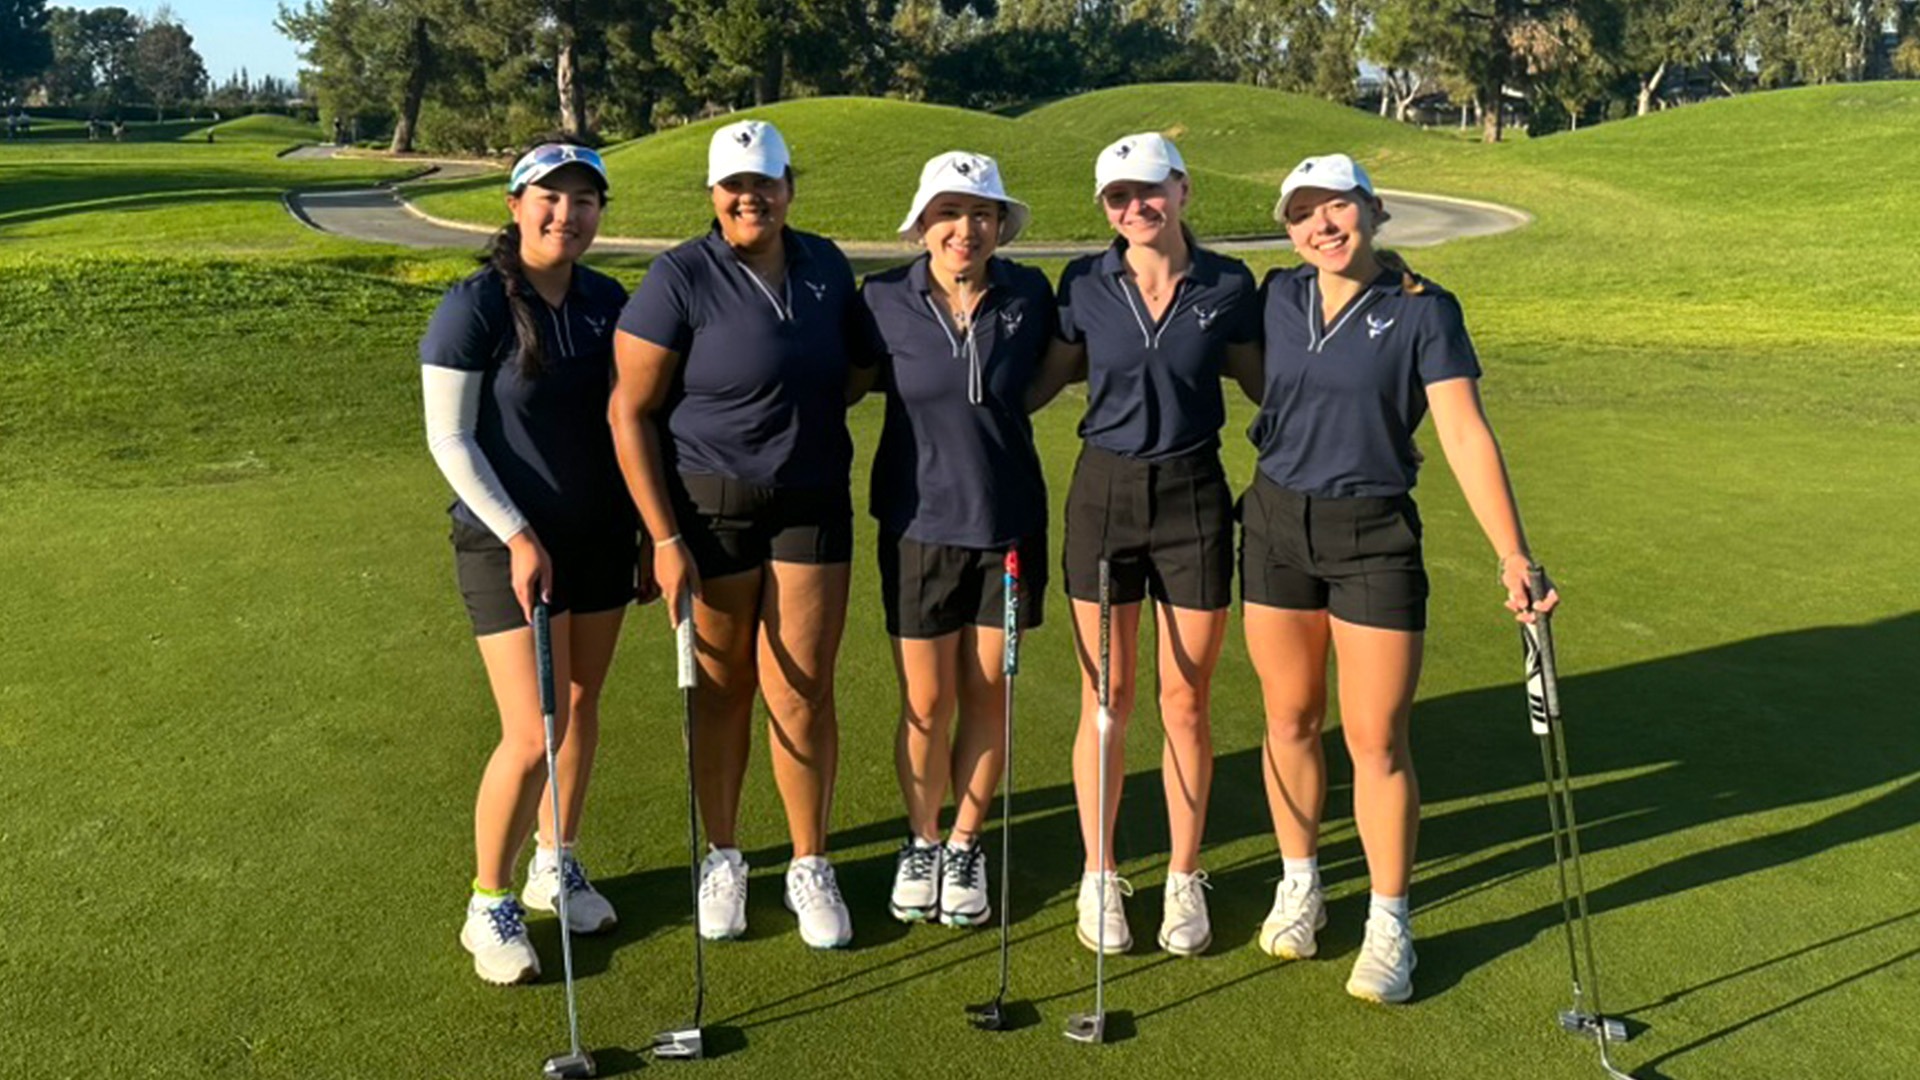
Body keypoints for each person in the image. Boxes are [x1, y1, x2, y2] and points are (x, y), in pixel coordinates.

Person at [1243, 153, 1559, 1003]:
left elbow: (1461, 433)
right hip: (1273, 525)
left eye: (1338, 207)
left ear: (1373, 212)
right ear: (1289, 228)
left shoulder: (1425, 311)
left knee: (1376, 739)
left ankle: (1390, 921)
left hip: (1373, 534)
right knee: (1288, 719)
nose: (1323, 225)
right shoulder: (1278, 296)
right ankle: (1301, 882)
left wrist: (1513, 553)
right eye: (1304, 213)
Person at [610, 119, 872, 949]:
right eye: (734, 186)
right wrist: (661, 535)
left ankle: (809, 862)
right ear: (714, 196)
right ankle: (723, 856)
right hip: (707, 510)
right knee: (724, 690)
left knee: (803, 687)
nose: (750, 197)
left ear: (791, 186)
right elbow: (630, 410)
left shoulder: (827, 265)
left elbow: (861, 366)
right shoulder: (679, 276)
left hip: (812, 502)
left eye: (765, 182)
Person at [1030, 133, 1263, 957]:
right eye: (1118, 198)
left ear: (1183, 190)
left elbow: (1270, 382)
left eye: (1149, 191)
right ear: (1105, 208)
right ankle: (1101, 875)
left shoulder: (1230, 284)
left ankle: (1183, 876)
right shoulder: (1084, 283)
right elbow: (1044, 379)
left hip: (1194, 497)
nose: (1135, 208)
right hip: (1105, 497)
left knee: (1186, 701)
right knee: (1107, 700)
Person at [419, 138, 643, 985]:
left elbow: (632, 421)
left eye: (585, 199)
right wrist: (517, 534)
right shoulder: (474, 305)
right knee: (534, 728)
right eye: (549, 197)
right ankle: (489, 901)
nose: (567, 213)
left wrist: (647, 534)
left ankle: (557, 863)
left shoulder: (608, 301)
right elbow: (450, 436)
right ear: (514, 207)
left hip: (595, 535)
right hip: (504, 542)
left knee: (581, 708)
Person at [858, 152, 1054, 927]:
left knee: (987, 692)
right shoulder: (880, 300)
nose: (964, 228)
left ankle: (966, 845)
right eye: (948, 213)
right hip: (916, 527)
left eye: (981, 213)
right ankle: (924, 841)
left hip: (1006, 528)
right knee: (926, 699)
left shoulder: (1031, 294)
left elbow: (1054, 371)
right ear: (923, 224)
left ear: (1001, 225)